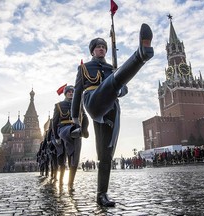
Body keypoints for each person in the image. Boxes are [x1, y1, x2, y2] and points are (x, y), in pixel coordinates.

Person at [71, 23, 153, 206]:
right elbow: (77, 94)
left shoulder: (112, 69)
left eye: (104, 47)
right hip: (93, 102)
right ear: (92, 51)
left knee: (106, 154)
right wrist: (76, 121)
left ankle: (102, 195)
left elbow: (124, 89)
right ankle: (141, 55)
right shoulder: (84, 68)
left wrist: (121, 90)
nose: (101, 49)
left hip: (111, 110)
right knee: (111, 83)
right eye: (98, 47)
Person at [52, 85, 89, 191]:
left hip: (77, 129)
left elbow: (83, 115)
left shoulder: (78, 104)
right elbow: (55, 122)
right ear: (65, 93)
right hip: (63, 129)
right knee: (69, 130)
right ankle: (80, 131)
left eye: (73, 92)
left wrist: (84, 122)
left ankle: (70, 183)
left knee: (74, 159)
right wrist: (56, 137)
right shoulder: (59, 105)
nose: (71, 93)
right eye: (69, 92)